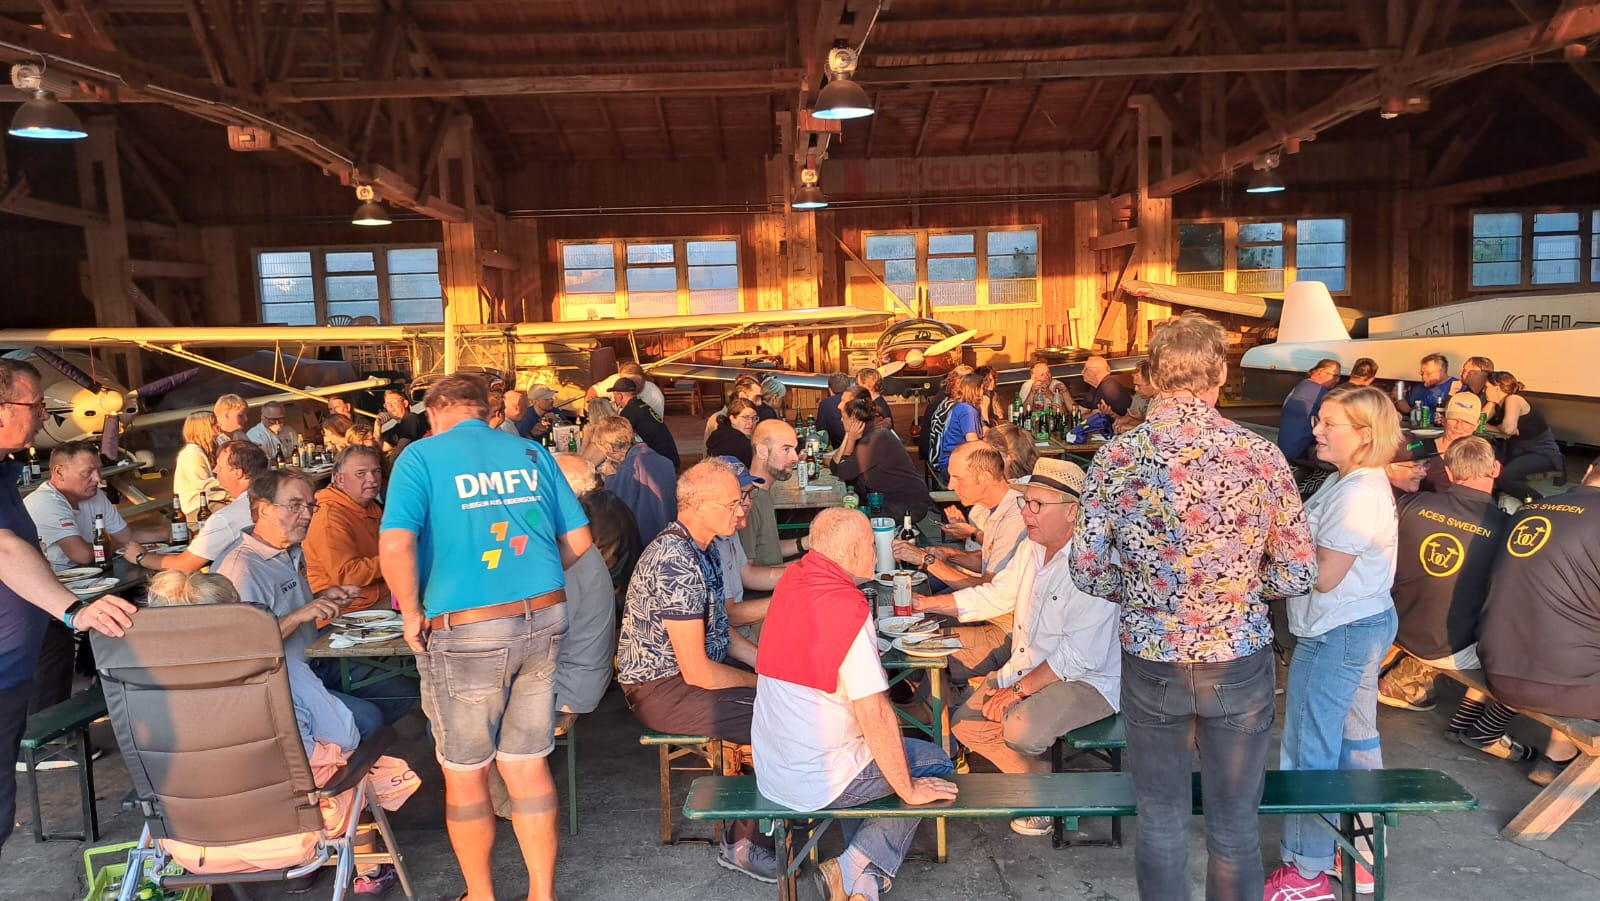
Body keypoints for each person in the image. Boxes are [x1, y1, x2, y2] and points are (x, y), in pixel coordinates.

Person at [1073, 312, 1316, 901]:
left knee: (1160, 818)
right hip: (1237, 653)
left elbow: (1087, 569)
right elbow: (1298, 570)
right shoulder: (1259, 455)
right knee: (1234, 827)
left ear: (1153, 377)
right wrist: (1236, 589)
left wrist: (1147, 595)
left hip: (1152, 655)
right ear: (1221, 375)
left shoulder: (1115, 458)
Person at [379, 371, 591, 901]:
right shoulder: (531, 453)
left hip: (468, 629)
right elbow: (580, 539)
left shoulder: (420, 457)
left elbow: (397, 545)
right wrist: (537, 584)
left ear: (433, 413)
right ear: (484, 410)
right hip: (544, 617)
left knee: (467, 772)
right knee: (526, 763)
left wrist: (411, 612)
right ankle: (542, 894)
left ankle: (480, 895)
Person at [752, 507, 958, 901]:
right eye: (872, 545)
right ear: (851, 552)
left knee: (883, 756)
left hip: (773, 767)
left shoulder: (795, 580)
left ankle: (863, 883)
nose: (878, 552)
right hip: (818, 779)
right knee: (934, 761)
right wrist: (909, 789)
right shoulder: (845, 605)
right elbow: (874, 713)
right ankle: (853, 864)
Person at [1268, 385, 1401, 899]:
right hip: (1359, 623)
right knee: (1355, 739)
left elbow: (1323, 576)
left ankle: (1306, 871)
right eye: (1318, 420)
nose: (1316, 430)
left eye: (1329, 423)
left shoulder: (1358, 494)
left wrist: (1253, 577)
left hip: (1337, 631)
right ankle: (1363, 854)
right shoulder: (1346, 479)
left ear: (1364, 435)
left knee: (1308, 748)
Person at [614, 460, 774, 882]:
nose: (742, 511)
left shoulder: (703, 547)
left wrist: (768, 666)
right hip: (660, 689)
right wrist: (763, 683)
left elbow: (721, 631)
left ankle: (767, 822)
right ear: (699, 506)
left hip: (684, 677)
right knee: (774, 716)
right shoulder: (676, 560)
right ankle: (742, 844)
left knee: (785, 699)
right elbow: (699, 672)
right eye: (732, 503)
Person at [949, 459, 1119, 837]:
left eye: (1037, 504)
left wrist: (1016, 692)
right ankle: (1050, 783)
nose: (1026, 512)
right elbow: (999, 595)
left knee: (1020, 728)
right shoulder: (1031, 547)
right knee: (965, 725)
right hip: (1031, 666)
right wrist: (931, 604)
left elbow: (1080, 657)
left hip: (1088, 680)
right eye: (1025, 502)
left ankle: (1047, 799)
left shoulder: (1095, 563)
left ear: (1073, 512)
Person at [0, 361, 134, 825]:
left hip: (13, 670)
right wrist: (74, 610)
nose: (45, 414)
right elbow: (4, 549)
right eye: (35, 404)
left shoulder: (6, 470)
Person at [1376, 439, 1532, 758]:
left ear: (1448, 472)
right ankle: (1484, 728)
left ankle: (1418, 683)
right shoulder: (1507, 530)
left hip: (1391, 624)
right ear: (1496, 469)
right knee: (1528, 642)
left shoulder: (1411, 504)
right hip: (1446, 648)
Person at [213, 469, 388, 735]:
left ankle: (341, 748)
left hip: (314, 662)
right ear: (264, 510)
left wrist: (321, 598)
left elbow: (282, 606)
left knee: (400, 691)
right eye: (295, 506)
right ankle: (324, 756)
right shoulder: (240, 570)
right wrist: (299, 615)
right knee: (369, 720)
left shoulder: (290, 549)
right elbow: (244, 649)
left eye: (310, 506)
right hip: (280, 681)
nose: (307, 515)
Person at [1478, 456, 1600, 786]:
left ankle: (1554, 753)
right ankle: (1556, 758)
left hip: (1496, 666)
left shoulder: (1530, 509)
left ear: (1588, 472)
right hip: (1561, 685)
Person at [895, 442, 1030, 683]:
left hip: (1008, 629)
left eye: (957, 478)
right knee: (912, 624)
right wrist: (950, 554)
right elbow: (990, 562)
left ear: (984, 477)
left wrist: (926, 560)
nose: (950, 486)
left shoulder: (1015, 517)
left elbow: (987, 587)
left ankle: (934, 699)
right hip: (990, 613)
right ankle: (929, 694)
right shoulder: (994, 508)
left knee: (918, 645)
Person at [128, 440, 271, 574]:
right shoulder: (274, 499)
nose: (215, 470)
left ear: (237, 473)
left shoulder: (226, 518)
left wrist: (141, 556)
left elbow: (185, 565)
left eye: (220, 467)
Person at [26, 441, 168, 571]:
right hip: (56, 581)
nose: (98, 479)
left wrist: (167, 533)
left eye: (99, 470)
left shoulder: (94, 494)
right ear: (59, 472)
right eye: (87, 472)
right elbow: (82, 555)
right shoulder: (46, 502)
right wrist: (114, 543)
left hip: (90, 574)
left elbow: (127, 535)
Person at [549, 454, 618, 715]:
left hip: (571, 685)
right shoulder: (573, 541)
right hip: (583, 672)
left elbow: (546, 636)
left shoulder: (568, 553)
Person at [304, 445, 387, 616]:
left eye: (376, 471)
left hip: (380, 596)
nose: (372, 479)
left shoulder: (369, 504)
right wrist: (398, 559)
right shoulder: (330, 517)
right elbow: (348, 575)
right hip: (346, 612)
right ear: (340, 479)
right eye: (361, 473)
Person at [555, 453, 641, 613]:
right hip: (624, 588)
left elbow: (565, 559)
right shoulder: (609, 499)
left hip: (608, 597)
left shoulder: (581, 515)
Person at [830, 396, 934, 528]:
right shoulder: (869, 435)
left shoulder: (875, 439)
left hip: (905, 503)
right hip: (887, 500)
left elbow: (843, 472)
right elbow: (836, 467)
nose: (841, 420)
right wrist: (848, 436)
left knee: (847, 521)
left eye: (843, 417)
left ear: (854, 421)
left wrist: (850, 438)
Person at [712, 457, 784, 628]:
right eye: (741, 496)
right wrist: (793, 599)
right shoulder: (708, 543)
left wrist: (804, 577)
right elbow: (730, 615)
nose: (749, 502)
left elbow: (748, 574)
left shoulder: (730, 529)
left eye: (750, 493)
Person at [591, 415, 677, 543]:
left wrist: (610, 478)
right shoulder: (664, 461)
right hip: (669, 533)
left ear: (608, 448)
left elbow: (614, 508)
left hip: (645, 539)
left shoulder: (629, 468)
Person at [1484, 371, 1564, 502]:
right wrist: (1495, 422)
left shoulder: (1514, 399)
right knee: (1487, 469)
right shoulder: (1495, 404)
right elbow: (1478, 424)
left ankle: (1537, 503)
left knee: (1505, 477)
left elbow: (1508, 429)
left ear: (1497, 388)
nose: (1484, 390)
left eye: (1487, 387)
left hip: (1540, 453)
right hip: (1516, 452)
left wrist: (1497, 428)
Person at [740, 419, 805, 567]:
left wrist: (808, 542)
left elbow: (768, 550)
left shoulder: (763, 492)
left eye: (794, 449)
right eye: (786, 449)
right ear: (762, 451)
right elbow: (746, 573)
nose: (795, 457)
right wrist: (801, 569)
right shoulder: (748, 501)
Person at [1277, 358, 1341, 462]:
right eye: (1335, 376)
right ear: (1321, 372)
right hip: (1299, 452)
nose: (1337, 380)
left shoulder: (1303, 385)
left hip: (1284, 449)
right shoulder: (1319, 392)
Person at [612, 377, 680, 470]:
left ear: (619, 395)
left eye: (614, 395)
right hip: (669, 459)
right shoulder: (642, 406)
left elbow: (618, 439)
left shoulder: (629, 412)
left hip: (661, 465)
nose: (614, 398)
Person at [173, 410, 225, 520]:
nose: (219, 425)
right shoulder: (191, 453)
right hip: (196, 507)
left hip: (212, 500)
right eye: (214, 423)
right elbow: (204, 485)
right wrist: (231, 489)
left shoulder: (215, 445)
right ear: (202, 429)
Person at [919, 364, 973, 468]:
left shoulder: (945, 397)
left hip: (933, 453)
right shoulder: (959, 406)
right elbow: (972, 441)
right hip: (942, 459)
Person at [934, 371, 986, 475]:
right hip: (954, 464)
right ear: (976, 390)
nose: (983, 392)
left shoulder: (964, 407)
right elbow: (972, 442)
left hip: (954, 460)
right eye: (982, 388)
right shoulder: (967, 411)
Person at [591, 362, 665, 419]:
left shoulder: (655, 396)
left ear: (643, 379)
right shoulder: (614, 380)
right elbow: (594, 391)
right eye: (624, 380)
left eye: (634, 381)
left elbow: (655, 423)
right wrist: (590, 407)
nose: (628, 384)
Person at [1396, 353, 1457, 417]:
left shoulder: (1456, 387)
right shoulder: (1418, 389)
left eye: (1429, 373)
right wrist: (1400, 400)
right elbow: (1409, 410)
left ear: (1441, 371)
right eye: (1422, 373)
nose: (1424, 377)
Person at [705, 397, 758, 468]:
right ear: (732, 419)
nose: (751, 422)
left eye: (754, 418)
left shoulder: (718, 435)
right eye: (745, 417)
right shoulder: (741, 444)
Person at [1114, 360, 1156, 433]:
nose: (1136, 389)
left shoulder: (1166, 401)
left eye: (1139, 385)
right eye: (1135, 385)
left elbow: (1160, 434)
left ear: (1153, 382)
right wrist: (1133, 421)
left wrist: (1135, 428)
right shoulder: (1144, 397)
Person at [815, 372, 853, 447]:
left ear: (830, 390)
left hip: (838, 448)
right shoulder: (858, 399)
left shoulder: (826, 404)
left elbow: (821, 432)